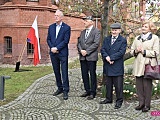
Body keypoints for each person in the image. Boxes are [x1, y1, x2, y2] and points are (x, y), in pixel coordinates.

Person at [130, 20, 159, 112]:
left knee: (147, 86)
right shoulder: (137, 38)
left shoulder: (154, 38)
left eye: (145, 26)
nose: (143, 28)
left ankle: (147, 105)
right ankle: (141, 103)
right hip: (138, 65)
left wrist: (144, 52)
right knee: (139, 86)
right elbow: (131, 51)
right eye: (142, 26)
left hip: (148, 65)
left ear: (150, 28)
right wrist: (136, 51)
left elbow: (156, 52)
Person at [100, 23, 127, 109]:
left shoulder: (122, 40)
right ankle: (108, 98)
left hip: (116, 65)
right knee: (108, 84)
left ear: (119, 31)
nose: (114, 32)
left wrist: (111, 58)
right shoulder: (107, 39)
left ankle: (119, 101)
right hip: (108, 64)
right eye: (112, 30)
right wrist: (107, 57)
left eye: (116, 30)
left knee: (118, 85)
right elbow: (103, 49)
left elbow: (121, 52)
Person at [47, 9, 71, 100]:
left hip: (62, 53)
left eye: (57, 15)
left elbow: (66, 41)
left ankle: (66, 90)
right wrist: (52, 48)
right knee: (56, 71)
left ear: (61, 17)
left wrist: (57, 48)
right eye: (55, 15)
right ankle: (59, 88)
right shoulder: (51, 27)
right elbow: (48, 39)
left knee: (64, 71)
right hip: (53, 53)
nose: (55, 17)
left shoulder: (66, 28)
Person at [77, 16, 101, 100]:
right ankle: (87, 90)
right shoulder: (83, 32)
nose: (84, 22)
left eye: (86, 21)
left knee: (92, 74)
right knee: (84, 74)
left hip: (91, 57)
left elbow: (96, 43)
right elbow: (79, 42)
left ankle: (93, 92)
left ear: (91, 22)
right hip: (82, 57)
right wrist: (81, 50)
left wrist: (86, 51)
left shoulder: (96, 31)